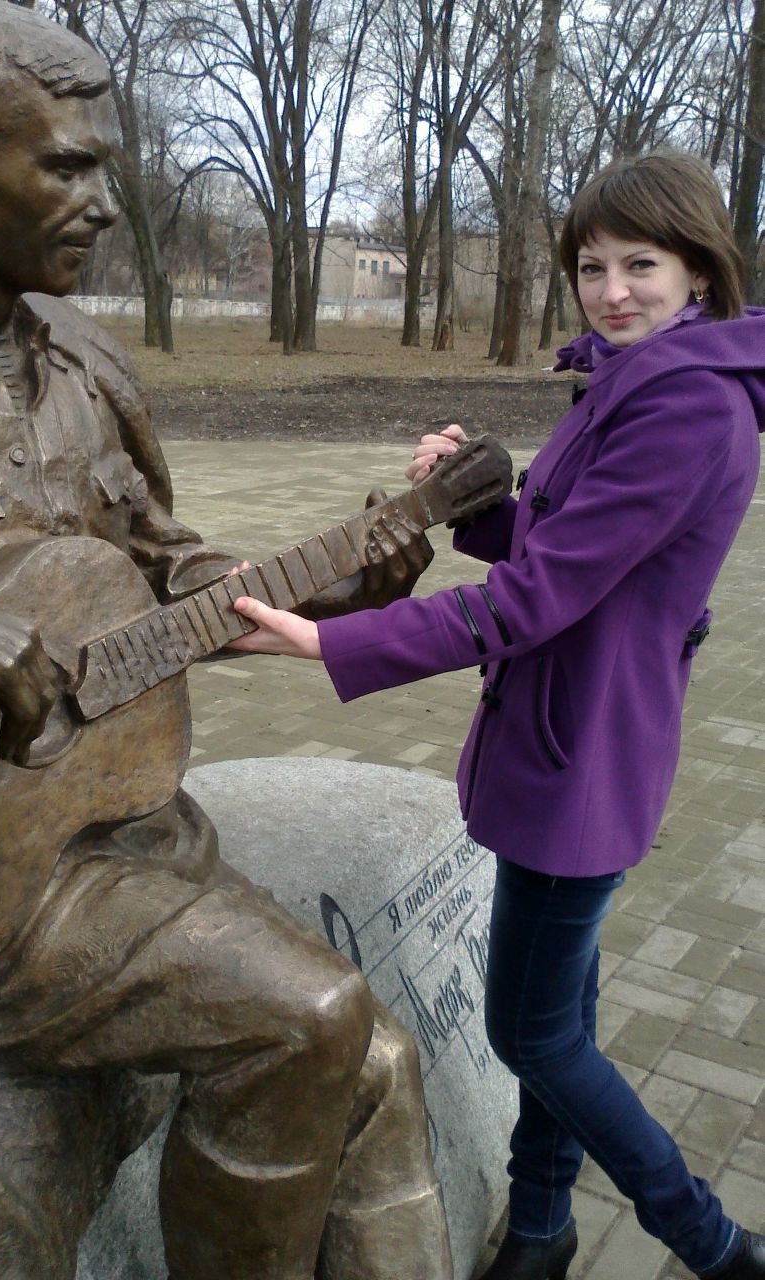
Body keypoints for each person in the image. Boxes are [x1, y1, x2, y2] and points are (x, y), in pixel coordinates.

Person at [0, 1, 503, 1275]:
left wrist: (343, 583)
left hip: (107, 832)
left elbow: (164, 576)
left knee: (373, 1059)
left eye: (108, 167)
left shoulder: (85, 362)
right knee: (313, 1016)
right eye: (67, 166)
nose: (105, 202)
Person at [232, 152, 765, 1280]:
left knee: (533, 1032)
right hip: (571, 742)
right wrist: (473, 499)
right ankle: (541, 1223)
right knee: (563, 1003)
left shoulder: (686, 408)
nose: (612, 289)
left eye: (641, 264)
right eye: (591, 265)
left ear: (700, 268)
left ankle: (711, 1241)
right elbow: (562, 547)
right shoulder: (631, 378)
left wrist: (335, 639)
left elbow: (537, 598)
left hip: (585, 765)